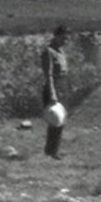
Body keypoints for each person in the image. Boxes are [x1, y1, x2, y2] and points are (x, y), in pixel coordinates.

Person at [41, 25, 69, 159]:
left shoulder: (61, 52)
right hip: (52, 88)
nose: (65, 41)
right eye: (63, 38)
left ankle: (53, 150)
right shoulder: (49, 52)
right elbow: (49, 74)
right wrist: (52, 93)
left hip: (62, 88)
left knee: (61, 119)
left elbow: (64, 72)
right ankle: (51, 151)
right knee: (55, 119)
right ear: (56, 36)